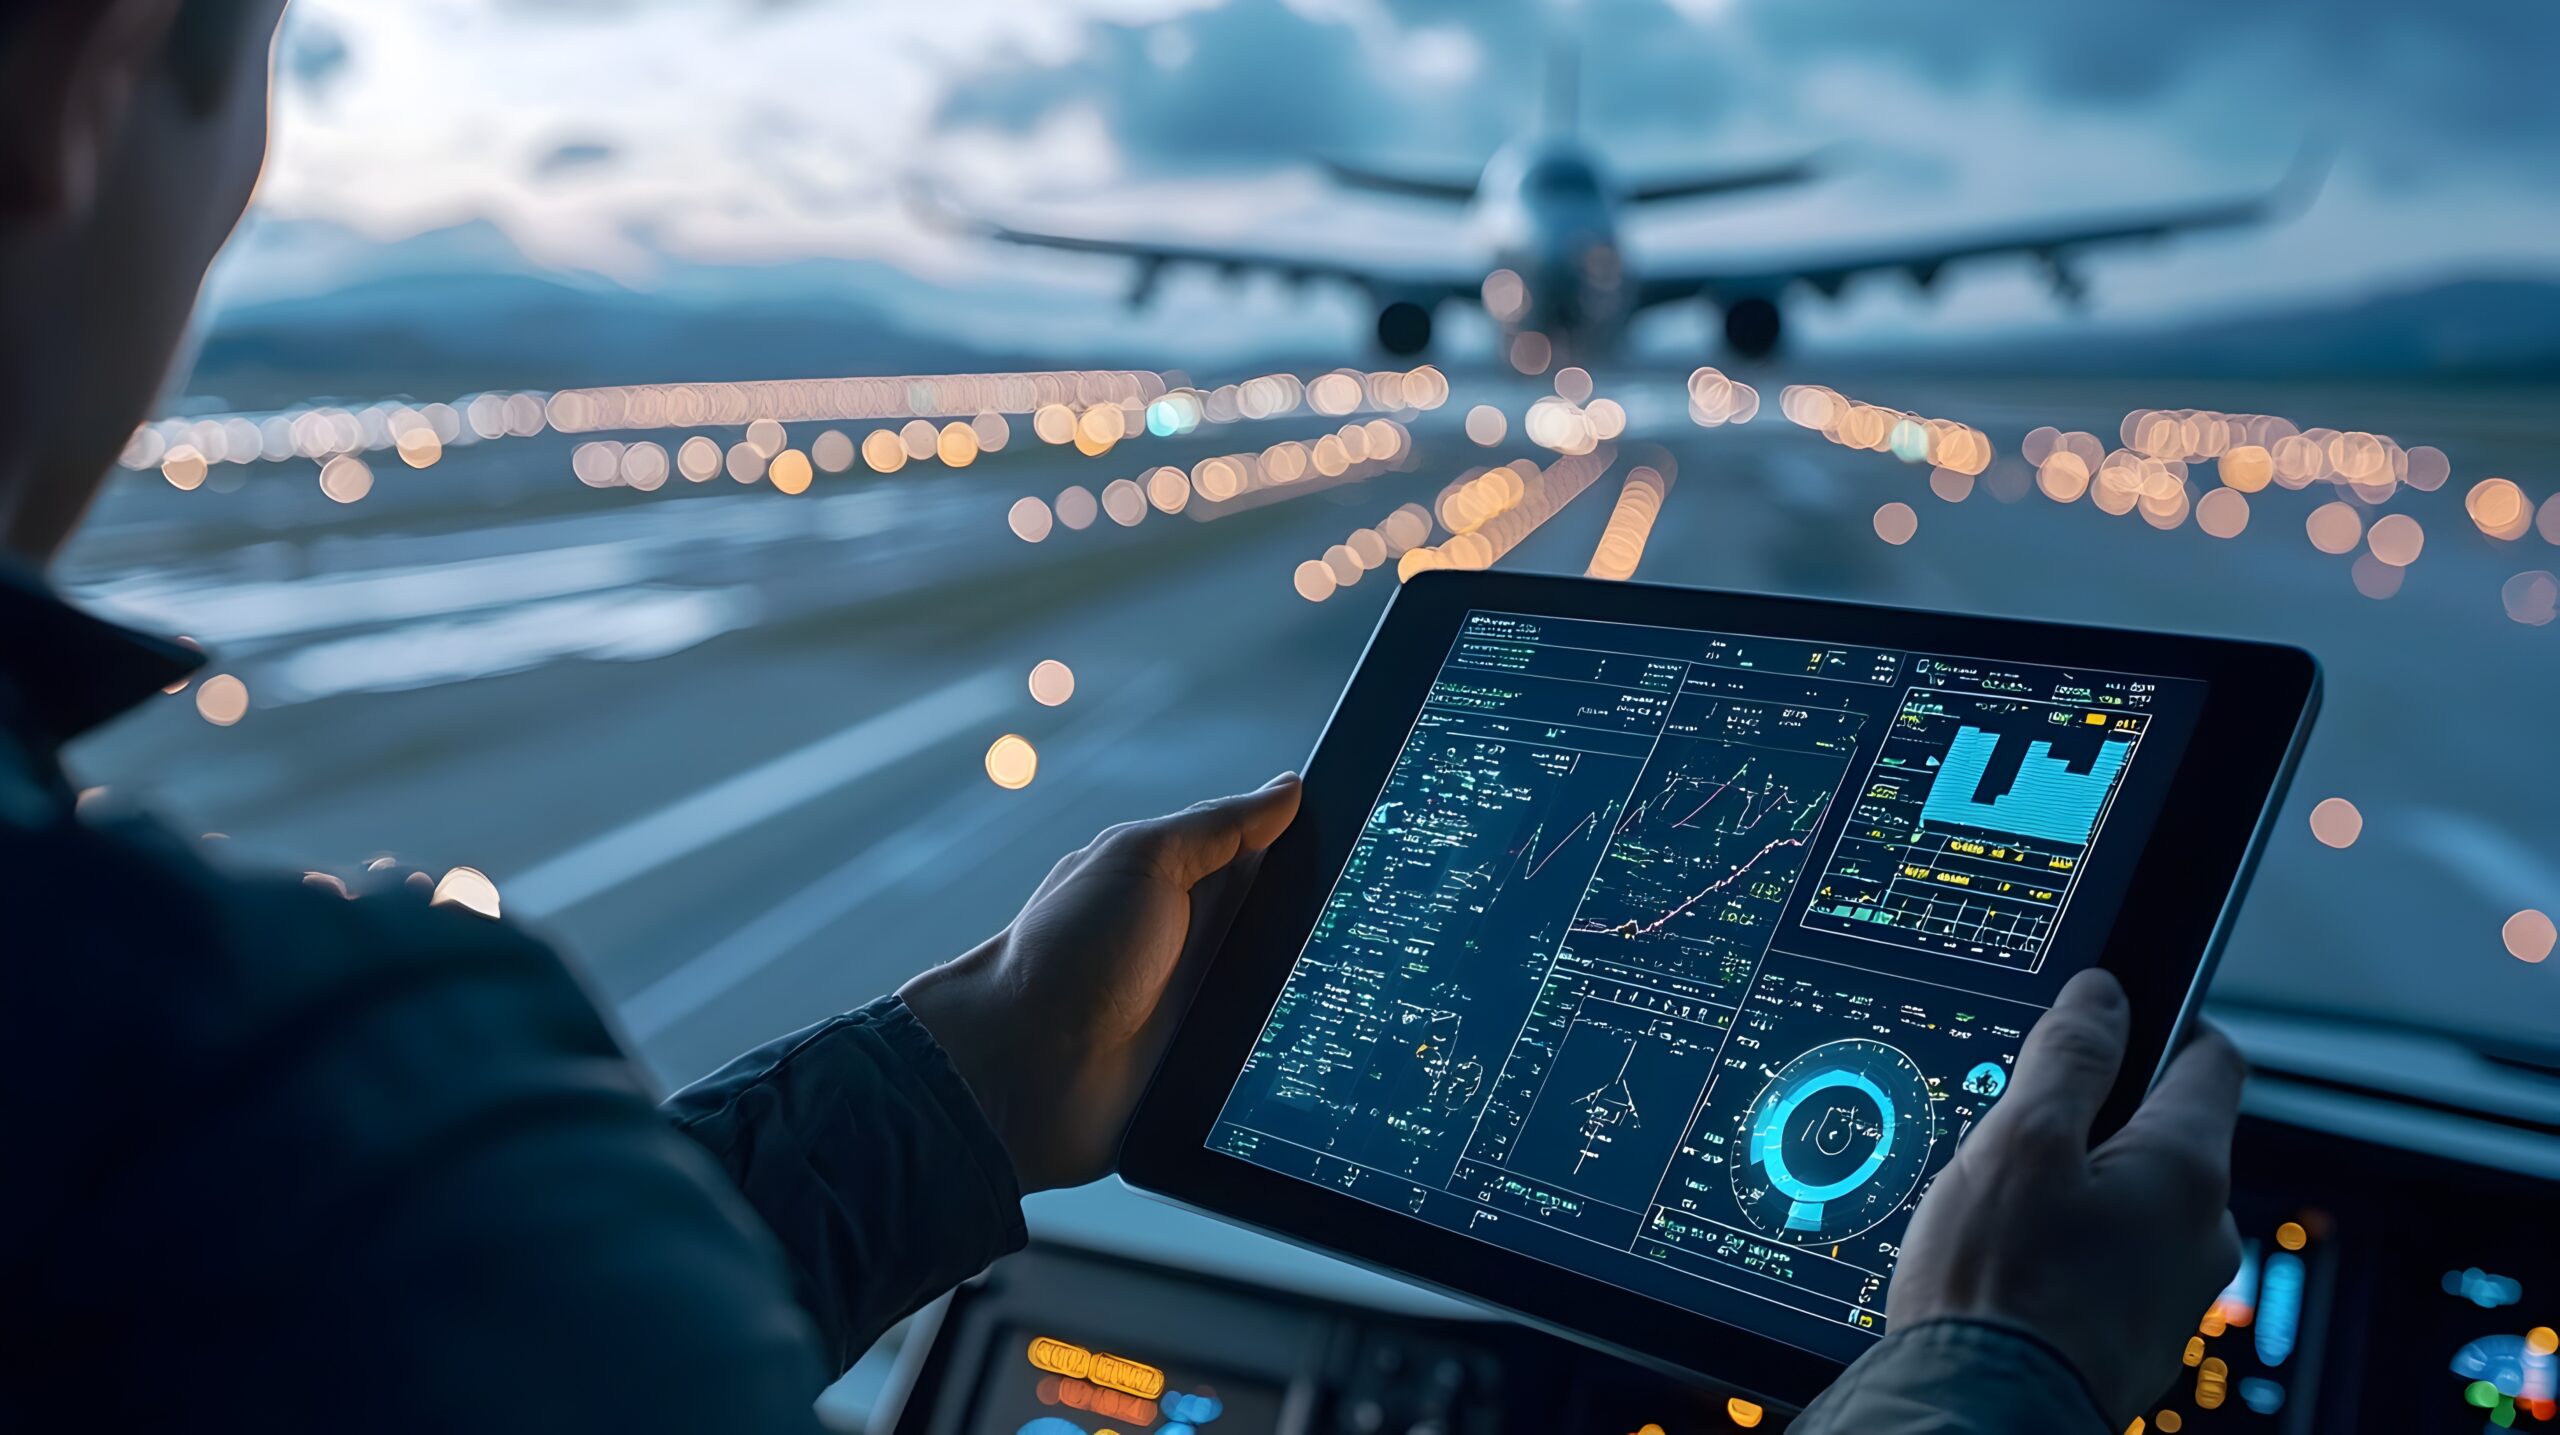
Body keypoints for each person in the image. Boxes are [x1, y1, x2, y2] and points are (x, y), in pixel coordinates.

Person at [0, 3, 2248, 1430]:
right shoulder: (292, 1143)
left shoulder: (189, 1136)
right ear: (96, 89)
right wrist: (1989, 1367)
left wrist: (960, 1079)